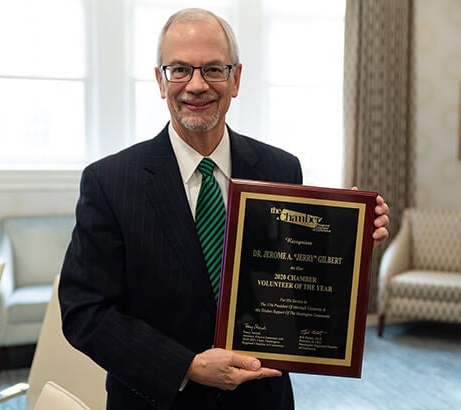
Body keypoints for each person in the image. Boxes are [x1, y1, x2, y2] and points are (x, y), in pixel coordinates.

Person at [58, 8, 390, 410]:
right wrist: (187, 366)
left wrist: (348, 246)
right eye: (179, 69)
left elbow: (293, 282)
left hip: (262, 400)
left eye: (214, 69)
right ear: (161, 81)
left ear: (236, 79)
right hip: (158, 401)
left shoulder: (281, 169)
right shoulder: (110, 182)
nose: (196, 85)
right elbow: (85, 312)